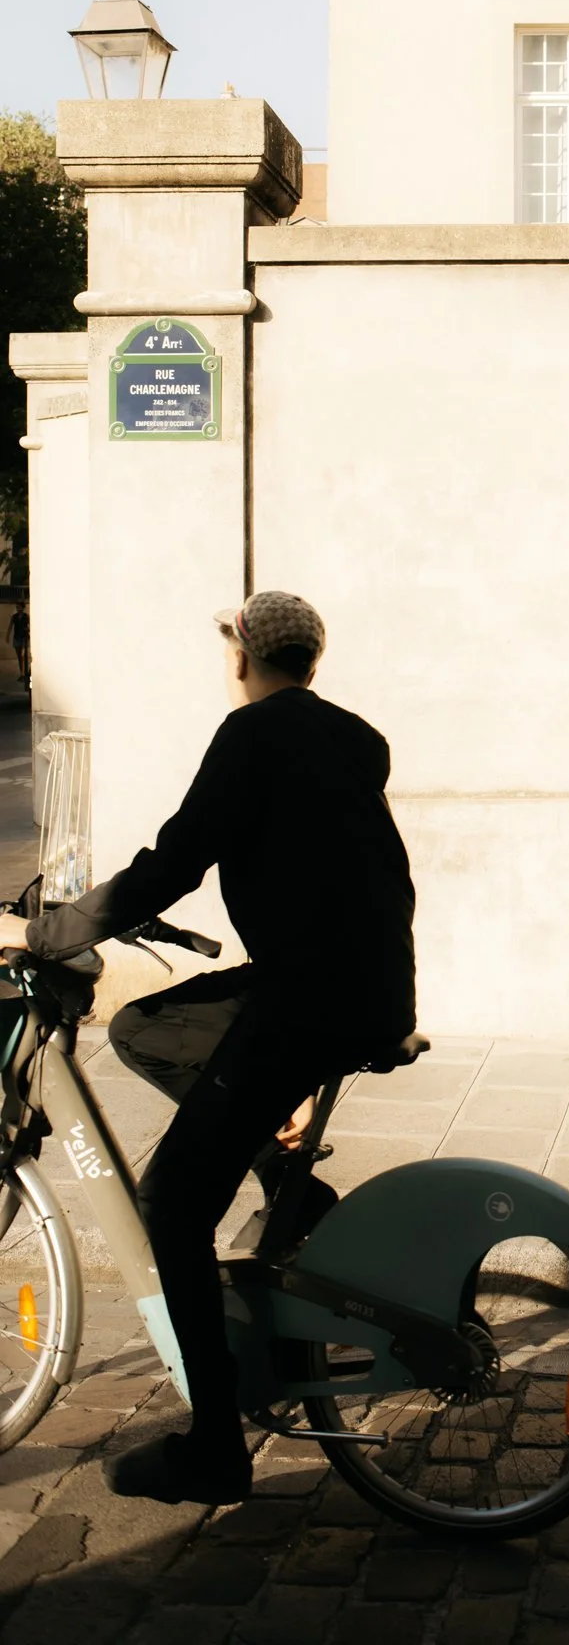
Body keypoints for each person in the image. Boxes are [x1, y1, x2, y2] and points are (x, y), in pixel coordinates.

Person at [0, 591, 416, 1506]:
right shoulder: (356, 738)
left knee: (174, 1204)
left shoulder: (252, 733)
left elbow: (176, 859)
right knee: (145, 1025)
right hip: (368, 984)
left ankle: (216, 1450)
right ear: (312, 659)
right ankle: (290, 1185)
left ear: (241, 656)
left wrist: (48, 933)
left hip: (306, 997)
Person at [7, 604, 30, 686]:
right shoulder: (14, 616)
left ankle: (25, 673)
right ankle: (22, 673)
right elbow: (10, 626)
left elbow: (30, 625)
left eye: (19, 607)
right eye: (17, 607)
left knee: (23, 656)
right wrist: (7, 636)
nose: (18, 608)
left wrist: (28, 630)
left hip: (24, 638)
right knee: (19, 657)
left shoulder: (26, 616)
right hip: (17, 638)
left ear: (23, 608)